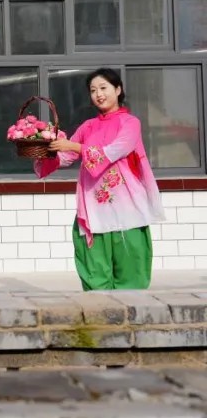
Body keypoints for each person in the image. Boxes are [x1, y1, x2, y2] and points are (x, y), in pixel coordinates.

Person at [35, 68, 164, 291]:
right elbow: (66, 156)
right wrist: (45, 151)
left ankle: (131, 311)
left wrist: (74, 146)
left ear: (118, 89)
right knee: (95, 273)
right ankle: (101, 311)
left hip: (127, 208)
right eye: (93, 90)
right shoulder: (88, 126)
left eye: (103, 88)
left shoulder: (130, 123)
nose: (98, 94)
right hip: (93, 207)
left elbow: (116, 150)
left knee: (131, 274)